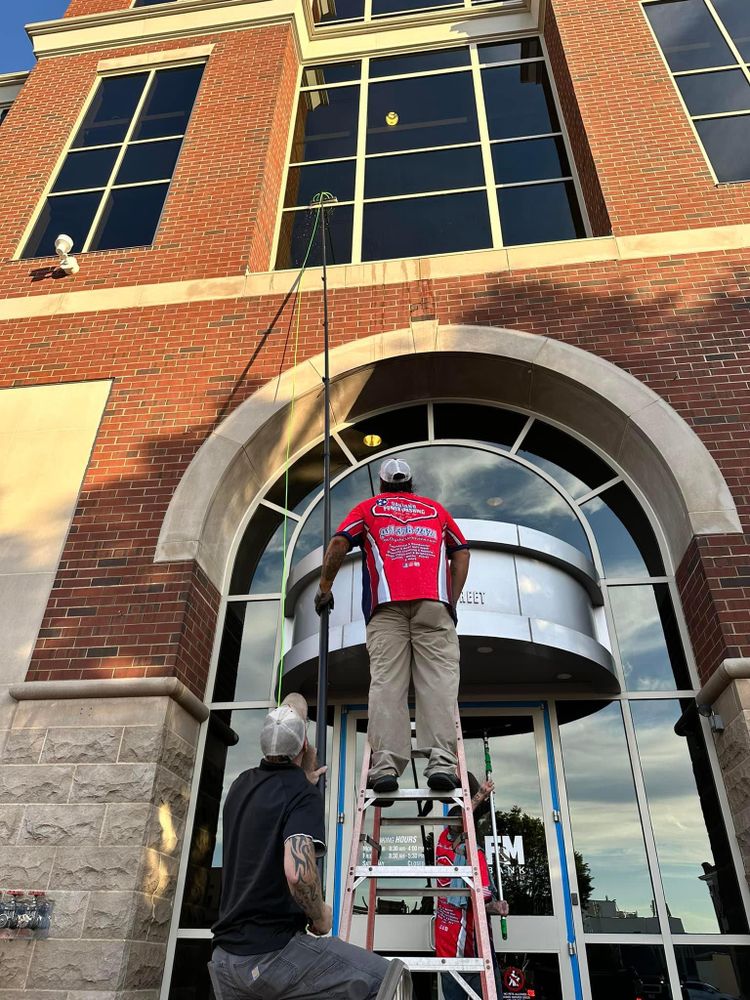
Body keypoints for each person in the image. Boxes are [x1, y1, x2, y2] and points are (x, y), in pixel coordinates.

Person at [209, 696, 409, 1000]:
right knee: (388, 981)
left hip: (226, 962)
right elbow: (298, 874)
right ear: (304, 745)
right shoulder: (302, 794)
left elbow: (271, 809)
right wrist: (320, 917)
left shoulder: (240, 785)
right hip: (272, 956)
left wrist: (304, 780)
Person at [314, 458, 470, 794]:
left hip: (386, 609)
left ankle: (384, 767)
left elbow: (340, 543)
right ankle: (442, 763)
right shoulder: (435, 510)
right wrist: (450, 599)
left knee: (387, 684)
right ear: (410, 484)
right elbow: (462, 553)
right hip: (434, 605)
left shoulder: (369, 508)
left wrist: (325, 588)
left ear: (384, 485)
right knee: (439, 684)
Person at [435, 776, 508, 1000]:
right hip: (454, 948)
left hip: (479, 944)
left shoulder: (475, 854)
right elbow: (466, 901)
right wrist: (480, 794)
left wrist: (496, 906)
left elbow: (478, 902)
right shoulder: (446, 843)